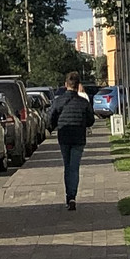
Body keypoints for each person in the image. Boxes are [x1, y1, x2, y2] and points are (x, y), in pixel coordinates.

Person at [47, 72, 95, 209]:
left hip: (64, 137)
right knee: (74, 167)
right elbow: (91, 121)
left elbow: (50, 118)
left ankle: (69, 197)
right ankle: (72, 196)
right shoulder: (83, 102)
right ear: (78, 85)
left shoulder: (58, 101)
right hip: (79, 137)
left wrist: (53, 127)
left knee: (67, 166)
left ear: (65, 85)